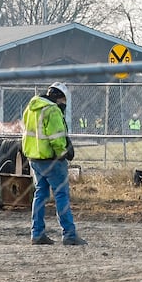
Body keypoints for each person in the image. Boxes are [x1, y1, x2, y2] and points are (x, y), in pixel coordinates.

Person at [22, 82, 85, 247]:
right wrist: (64, 153)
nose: (64, 104)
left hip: (35, 159)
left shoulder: (31, 108)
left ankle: (37, 233)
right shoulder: (52, 110)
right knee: (61, 195)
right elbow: (56, 138)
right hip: (52, 160)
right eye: (63, 100)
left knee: (40, 195)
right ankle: (69, 234)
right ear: (58, 97)